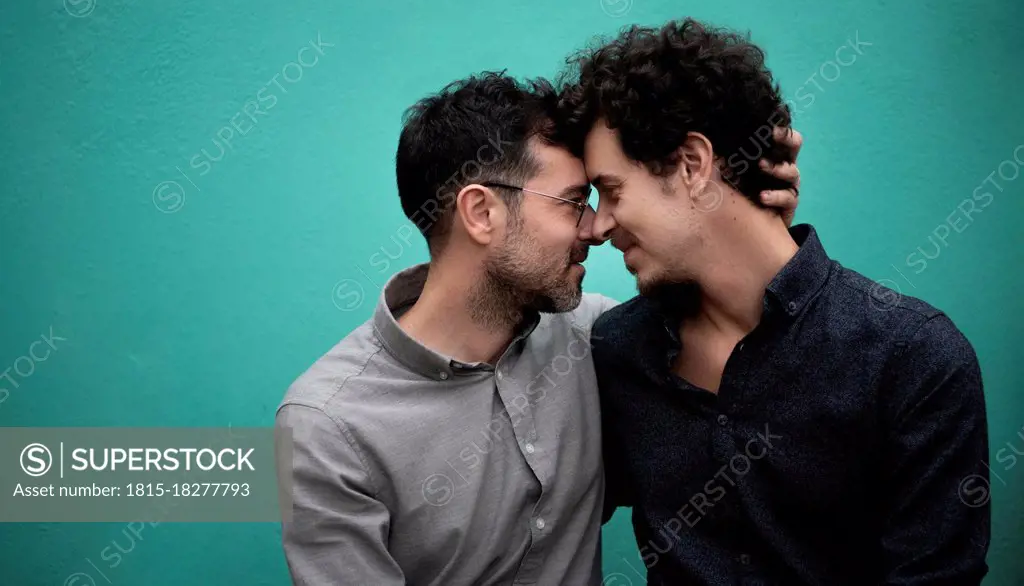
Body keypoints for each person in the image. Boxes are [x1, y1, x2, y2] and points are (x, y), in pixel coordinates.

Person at [274, 69, 802, 584]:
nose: (595, 229)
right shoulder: (327, 426)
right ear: (481, 212)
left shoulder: (600, 338)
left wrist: (735, 211)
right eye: (574, 202)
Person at [552, 17, 991, 585]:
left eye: (612, 192)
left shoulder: (912, 359)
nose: (600, 225)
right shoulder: (617, 349)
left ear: (692, 164)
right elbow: (539, 515)